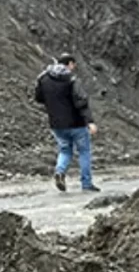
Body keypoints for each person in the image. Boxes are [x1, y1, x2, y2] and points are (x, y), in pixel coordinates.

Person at [34, 54, 100, 192]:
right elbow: (81, 101)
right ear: (69, 64)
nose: (74, 68)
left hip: (56, 123)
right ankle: (86, 184)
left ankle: (60, 171)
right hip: (76, 123)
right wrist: (90, 121)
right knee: (84, 152)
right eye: (73, 65)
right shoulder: (71, 79)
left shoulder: (44, 78)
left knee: (65, 150)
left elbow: (38, 98)